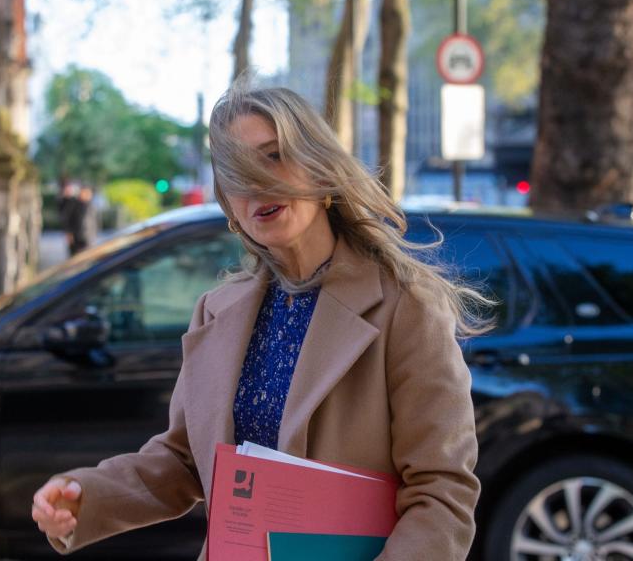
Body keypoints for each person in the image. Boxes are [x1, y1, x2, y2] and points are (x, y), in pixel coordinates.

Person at [32, 84, 491, 560]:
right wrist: (86, 496)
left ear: (319, 168)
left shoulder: (406, 305)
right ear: (229, 208)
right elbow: (184, 461)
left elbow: (442, 492)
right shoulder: (217, 311)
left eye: (273, 157)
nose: (256, 185)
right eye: (236, 174)